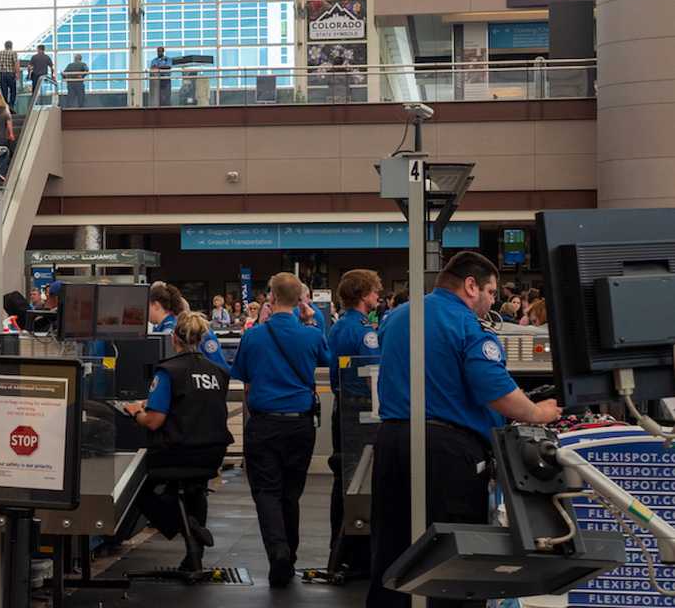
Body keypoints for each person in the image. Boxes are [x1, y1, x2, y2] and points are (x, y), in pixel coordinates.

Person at [367, 251, 560, 608]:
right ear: (471, 286)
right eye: (490, 292)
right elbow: (495, 391)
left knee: (392, 548)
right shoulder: (465, 325)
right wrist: (539, 412)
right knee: (454, 558)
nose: (491, 303)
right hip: (445, 452)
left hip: (393, 442)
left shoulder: (397, 317)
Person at [228, 272, 329, 588]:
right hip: (301, 424)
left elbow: (242, 373)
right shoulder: (311, 335)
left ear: (270, 299)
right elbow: (328, 357)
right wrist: (315, 320)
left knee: (267, 492)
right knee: (291, 493)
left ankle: (278, 553)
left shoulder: (254, 336)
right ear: (301, 300)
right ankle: (291, 553)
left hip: (263, 424)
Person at [119, 312, 234, 572]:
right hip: (212, 452)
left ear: (174, 339)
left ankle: (187, 526)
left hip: (176, 452)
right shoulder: (218, 372)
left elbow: (154, 421)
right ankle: (194, 556)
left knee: (137, 488)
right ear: (202, 338)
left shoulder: (168, 372)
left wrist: (135, 410)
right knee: (196, 489)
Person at [327, 269, 382, 579]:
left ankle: (339, 548)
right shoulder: (365, 331)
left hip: (341, 409)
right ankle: (360, 554)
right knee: (362, 484)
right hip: (362, 413)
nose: (378, 297)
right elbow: (374, 372)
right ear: (363, 296)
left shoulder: (336, 328)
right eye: (375, 292)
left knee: (342, 480)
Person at [0, 40, 20, 110]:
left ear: (5, 46)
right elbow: (16, 64)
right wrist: (17, 74)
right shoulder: (13, 53)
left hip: (2, 74)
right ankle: (11, 105)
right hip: (11, 74)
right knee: (13, 90)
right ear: (11, 46)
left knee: (4, 92)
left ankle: (5, 106)